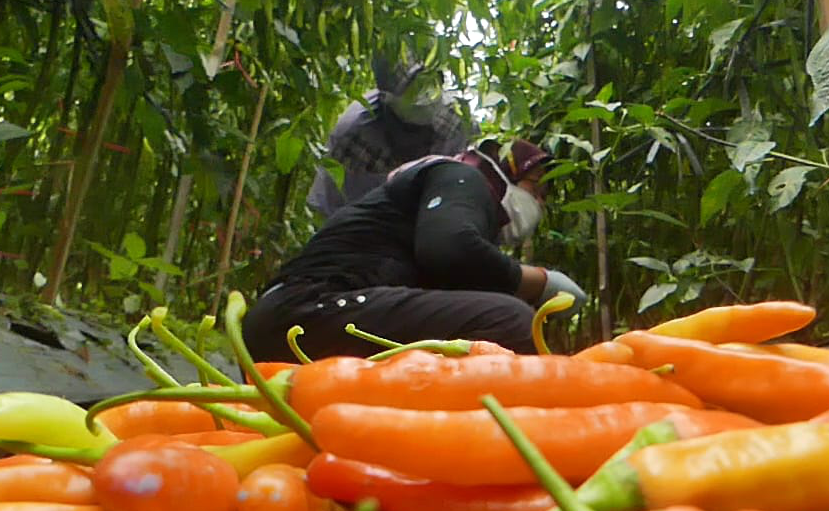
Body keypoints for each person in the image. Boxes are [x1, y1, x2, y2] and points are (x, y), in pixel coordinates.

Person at [244, 139, 588, 361]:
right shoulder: (461, 178)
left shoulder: (453, 207)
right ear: (506, 173)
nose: (540, 204)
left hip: (308, 321)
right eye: (537, 189)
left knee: (490, 322)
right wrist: (541, 281)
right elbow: (449, 248)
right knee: (511, 321)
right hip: (304, 313)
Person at [306, 58, 473, 217]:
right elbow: (328, 208)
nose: (426, 95)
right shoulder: (354, 133)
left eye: (431, 81)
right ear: (386, 97)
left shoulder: (457, 123)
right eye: (413, 88)